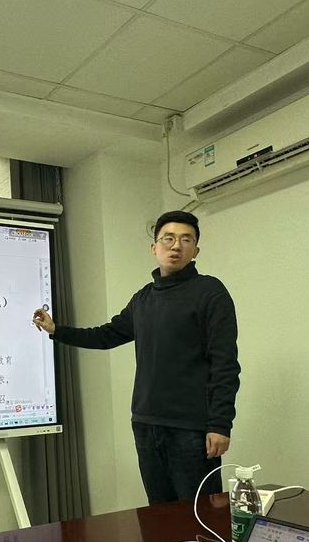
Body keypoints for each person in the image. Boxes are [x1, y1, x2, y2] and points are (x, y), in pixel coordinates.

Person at [32, 210, 240, 503]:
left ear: (196, 251)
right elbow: (107, 335)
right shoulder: (144, 298)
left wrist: (220, 424)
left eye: (186, 240)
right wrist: (57, 330)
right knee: (159, 514)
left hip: (191, 428)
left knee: (199, 515)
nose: (176, 246)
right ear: (154, 248)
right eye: (168, 238)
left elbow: (225, 364)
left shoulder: (210, 292)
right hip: (146, 425)